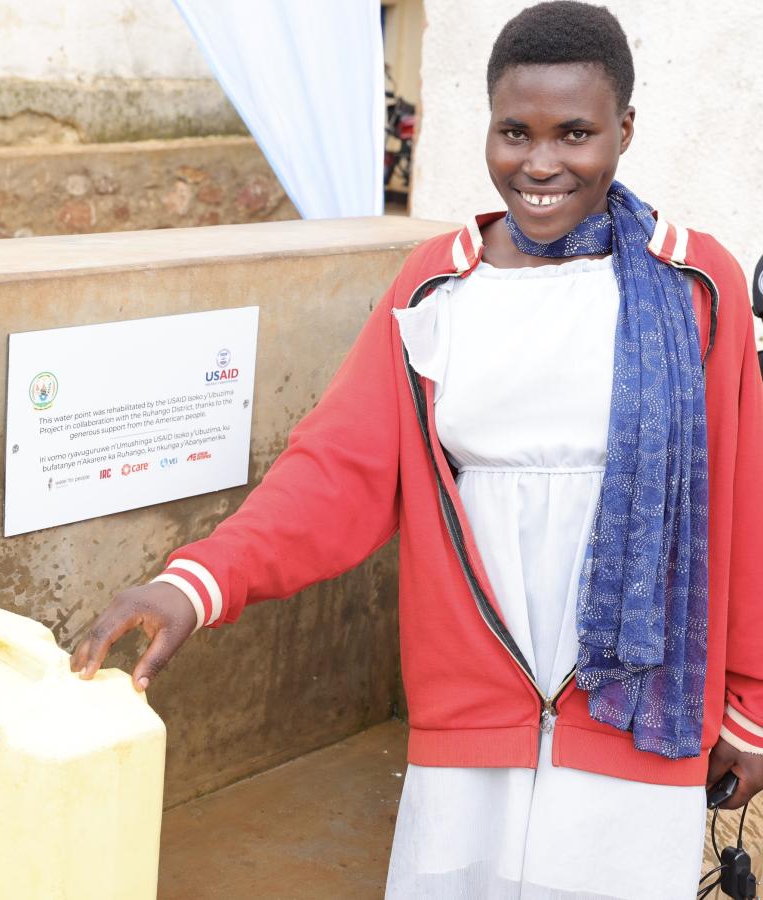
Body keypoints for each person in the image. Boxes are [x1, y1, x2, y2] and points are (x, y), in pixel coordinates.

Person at [70, 3, 763, 896]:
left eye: (576, 133)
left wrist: (749, 705)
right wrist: (196, 583)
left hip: (639, 707)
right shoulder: (438, 284)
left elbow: (742, 501)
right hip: (474, 696)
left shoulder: (696, 283)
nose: (540, 164)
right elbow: (339, 468)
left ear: (624, 130)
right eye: (515, 132)